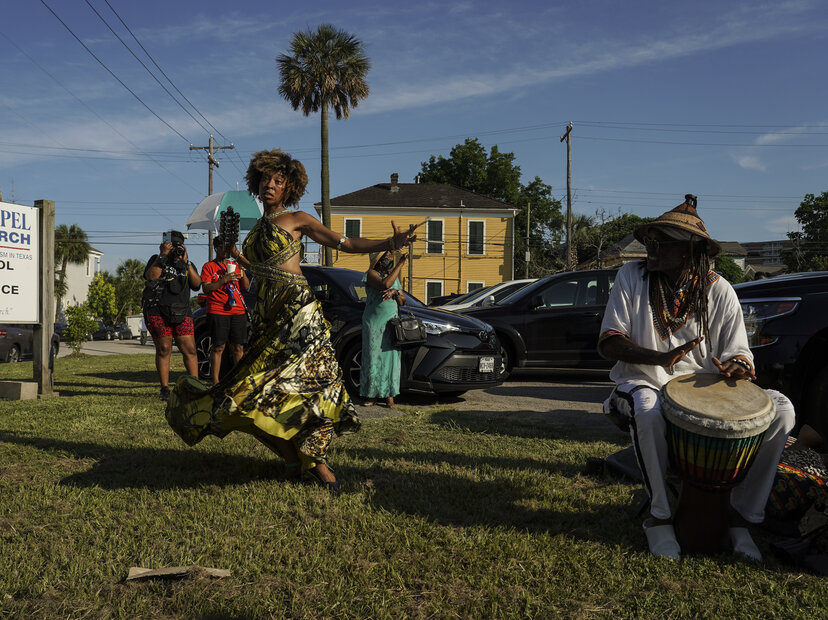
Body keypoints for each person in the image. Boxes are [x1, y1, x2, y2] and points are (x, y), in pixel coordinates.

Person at [165, 149, 419, 489]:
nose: (270, 185)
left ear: (289, 187)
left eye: (278, 180)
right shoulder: (255, 230)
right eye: (265, 179)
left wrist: (390, 242)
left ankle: (317, 463)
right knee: (253, 393)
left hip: (299, 313)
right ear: (257, 182)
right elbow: (260, 271)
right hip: (267, 318)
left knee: (311, 387)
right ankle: (291, 460)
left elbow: (345, 243)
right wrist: (238, 257)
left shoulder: (298, 219)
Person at [597, 194, 795, 560]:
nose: (651, 248)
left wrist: (738, 366)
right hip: (641, 381)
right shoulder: (631, 276)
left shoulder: (720, 290)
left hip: (703, 395)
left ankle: (741, 517)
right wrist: (659, 357)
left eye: (662, 242)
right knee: (648, 408)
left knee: (782, 410)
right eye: (650, 240)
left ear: (690, 250)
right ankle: (659, 517)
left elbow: (740, 352)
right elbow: (609, 341)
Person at [142, 230, 201, 401]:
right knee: (164, 349)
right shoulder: (157, 259)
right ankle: (165, 389)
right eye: (171, 245)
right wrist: (163, 255)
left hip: (182, 311)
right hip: (158, 311)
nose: (175, 248)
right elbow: (151, 277)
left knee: (190, 350)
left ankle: (195, 386)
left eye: (178, 245)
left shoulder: (186, 263)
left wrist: (186, 262)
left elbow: (197, 284)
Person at [360, 250, 407, 408]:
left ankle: (389, 395)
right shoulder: (371, 274)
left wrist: (396, 291)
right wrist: (400, 264)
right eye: (386, 256)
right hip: (374, 323)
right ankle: (371, 394)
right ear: (378, 260)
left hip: (391, 324)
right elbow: (384, 284)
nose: (390, 258)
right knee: (373, 357)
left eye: (390, 256)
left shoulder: (393, 276)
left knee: (390, 358)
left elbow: (403, 300)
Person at [200, 236, 250, 384]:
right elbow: (206, 288)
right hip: (217, 310)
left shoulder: (234, 265)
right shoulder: (209, 266)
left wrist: (242, 271)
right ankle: (216, 382)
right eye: (223, 247)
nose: (226, 251)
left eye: (229, 248)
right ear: (216, 248)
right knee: (218, 346)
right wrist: (223, 280)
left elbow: (246, 287)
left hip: (237, 310)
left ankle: (239, 380)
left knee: (238, 347)